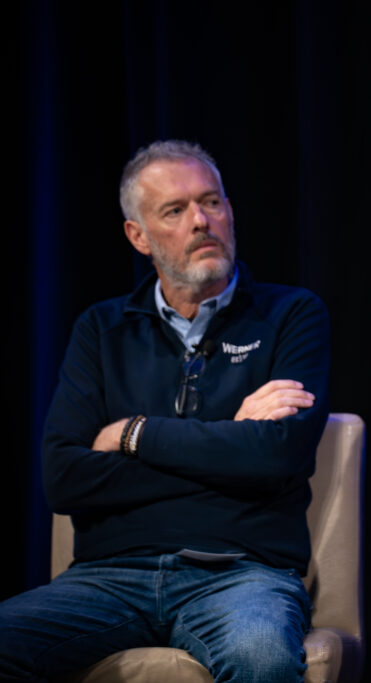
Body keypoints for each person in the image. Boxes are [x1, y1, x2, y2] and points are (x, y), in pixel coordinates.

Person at [0, 141, 330, 682]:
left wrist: (133, 432)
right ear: (139, 235)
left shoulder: (291, 314)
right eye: (175, 211)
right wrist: (230, 440)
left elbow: (279, 454)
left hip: (241, 572)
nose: (201, 221)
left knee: (260, 659)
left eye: (212, 202)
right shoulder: (100, 330)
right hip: (106, 576)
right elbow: (63, 479)